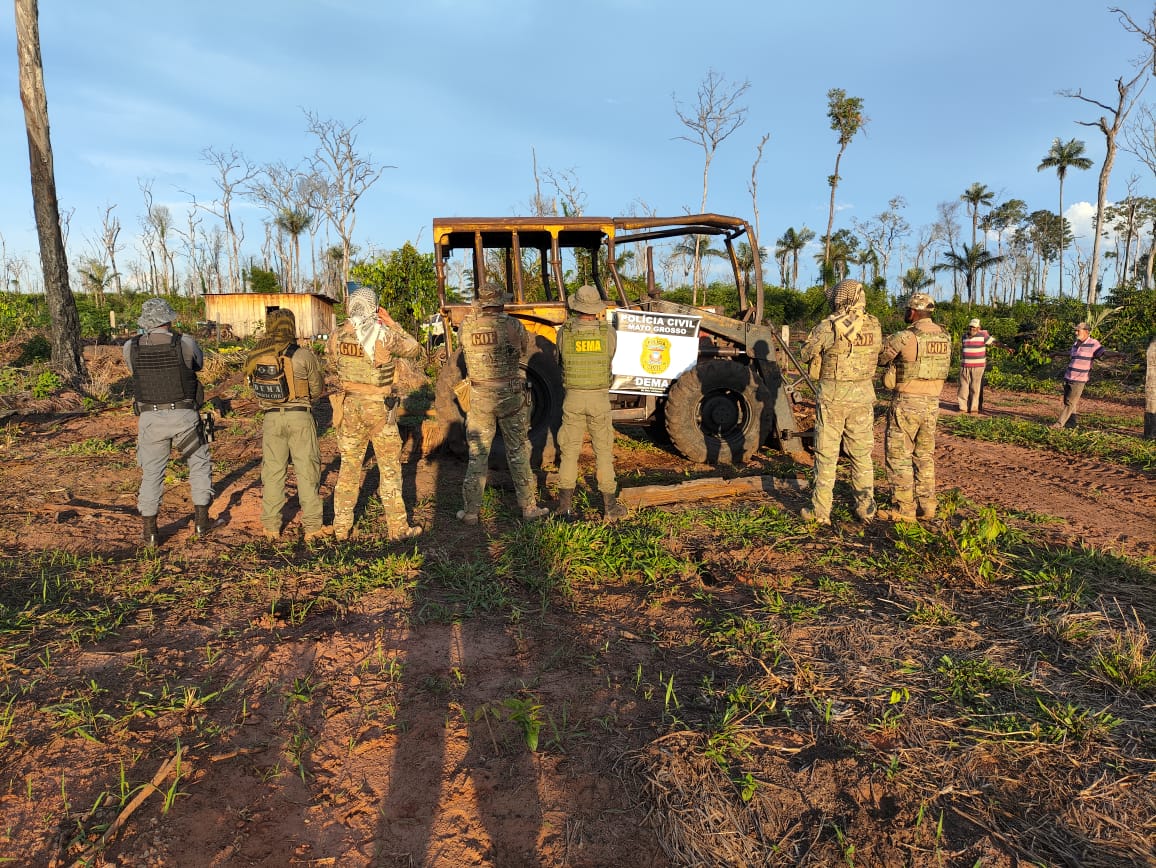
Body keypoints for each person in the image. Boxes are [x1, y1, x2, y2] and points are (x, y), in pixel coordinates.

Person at [328, 287, 424, 541]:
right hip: (379, 408)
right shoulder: (384, 334)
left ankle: (341, 528)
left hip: (349, 406)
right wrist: (394, 324)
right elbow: (415, 349)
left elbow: (331, 363)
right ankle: (398, 529)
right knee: (390, 469)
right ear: (373, 306)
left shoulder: (337, 335)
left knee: (348, 467)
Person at [122, 297, 214, 546]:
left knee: (152, 473)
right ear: (168, 319)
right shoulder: (184, 342)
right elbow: (197, 365)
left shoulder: (131, 346)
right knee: (198, 464)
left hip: (150, 418)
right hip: (184, 415)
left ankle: (150, 531)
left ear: (146, 321)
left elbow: (135, 372)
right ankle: (202, 523)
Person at [456, 283, 548, 525]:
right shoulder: (514, 325)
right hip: (510, 396)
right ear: (500, 302)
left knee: (478, 454)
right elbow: (524, 349)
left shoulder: (467, 326)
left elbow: (462, 345)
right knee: (517, 450)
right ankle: (528, 508)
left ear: (481, 303)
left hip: (479, 396)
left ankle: (471, 513)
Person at [797, 278, 882, 526]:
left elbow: (805, 354)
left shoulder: (829, 326)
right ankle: (866, 509)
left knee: (826, 455)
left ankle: (821, 512)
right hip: (863, 397)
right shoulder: (874, 325)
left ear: (840, 298)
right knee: (862, 456)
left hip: (833, 397)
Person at [244, 308, 326, 542]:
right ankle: (312, 528)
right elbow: (317, 389)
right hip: (299, 416)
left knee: (272, 472)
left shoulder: (257, 354)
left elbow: (253, 385)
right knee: (307, 470)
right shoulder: (303, 355)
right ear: (291, 326)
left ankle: (270, 527)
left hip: (271, 419)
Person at [554, 285, 627, 521]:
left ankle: (564, 507)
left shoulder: (565, 332)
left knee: (568, 452)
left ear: (575, 306)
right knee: (604, 452)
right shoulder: (608, 333)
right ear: (596, 308)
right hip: (599, 398)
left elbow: (560, 360)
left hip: (573, 398)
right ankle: (610, 507)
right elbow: (611, 356)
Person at [877, 292, 951, 522]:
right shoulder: (945, 336)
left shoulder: (905, 337)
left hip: (907, 402)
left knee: (899, 456)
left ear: (912, 312)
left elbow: (880, 358)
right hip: (932, 404)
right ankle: (927, 505)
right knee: (924, 456)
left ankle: (903, 508)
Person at [1052, 321, 1107, 429]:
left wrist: (1118, 355)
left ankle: (1058, 425)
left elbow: (1103, 353)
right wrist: (1056, 353)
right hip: (1068, 376)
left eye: (1078, 330)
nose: (1076, 332)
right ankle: (1071, 423)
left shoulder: (1093, 343)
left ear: (1086, 331)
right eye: (1075, 330)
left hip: (1079, 379)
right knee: (1068, 402)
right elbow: (1070, 353)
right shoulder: (1076, 344)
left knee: (1070, 403)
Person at [957, 317, 994, 414]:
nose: (972, 329)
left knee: (975, 387)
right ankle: (963, 408)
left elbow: (995, 342)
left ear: (978, 328)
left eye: (974, 328)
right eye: (970, 327)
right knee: (963, 387)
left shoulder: (983, 336)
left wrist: (1006, 347)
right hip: (965, 365)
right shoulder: (964, 336)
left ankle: (974, 408)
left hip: (978, 366)